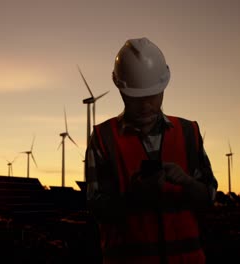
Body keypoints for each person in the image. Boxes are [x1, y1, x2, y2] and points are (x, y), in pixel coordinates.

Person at [85, 37, 218, 264]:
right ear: (121, 91)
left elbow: (209, 198)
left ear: (164, 87)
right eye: (136, 98)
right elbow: (97, 209)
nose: (146, 105)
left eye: (153, 96)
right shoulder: (103, 138)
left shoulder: (189, 132)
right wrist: (134, 196)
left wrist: (187, 182)